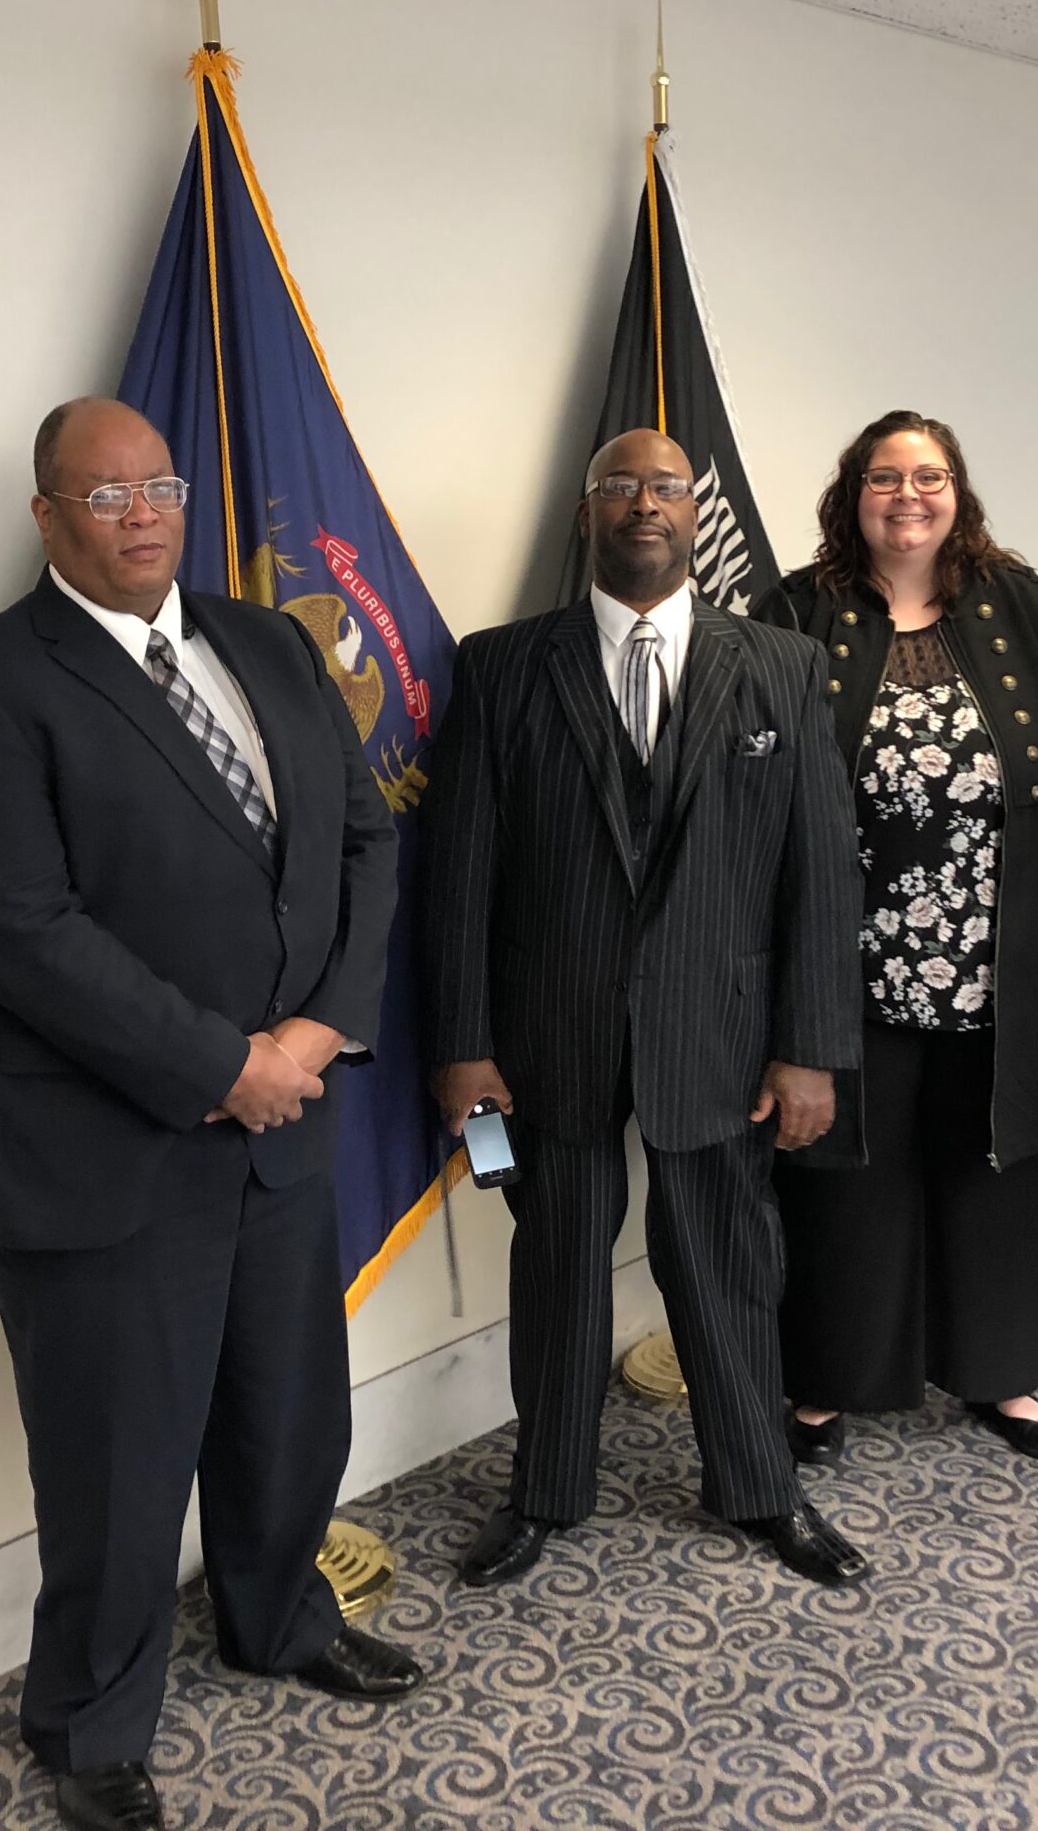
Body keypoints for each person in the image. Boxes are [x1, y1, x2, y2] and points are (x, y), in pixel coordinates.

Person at [0, 398, 420, 1831]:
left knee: (285, 1417)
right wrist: (219, 1063)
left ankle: (282, 1622)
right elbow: (14, 926)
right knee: (117, 1461)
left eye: (160, 486)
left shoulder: (266, 645)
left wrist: (314, 1033)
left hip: (285, 1127)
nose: (141, 513)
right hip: (107, 1149)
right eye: (105, 492)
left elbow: (364, 840)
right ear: (48, 515)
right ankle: (90, 1723)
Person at [422, 427, 869, 1589]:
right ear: (586, 513)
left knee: (724, 1259)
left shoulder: (778, 665)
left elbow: (820, 874)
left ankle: (761, 1488)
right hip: (542, 1039)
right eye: (619, 486)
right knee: (557, 1264)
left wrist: (810, 1050)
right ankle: (547, 1490)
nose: (643, 504)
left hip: (719, 1034)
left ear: (692, 513)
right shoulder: (501, 666)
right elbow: (459, 874)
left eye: (666, 487)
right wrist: (462, 1048)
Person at [753, 410, 1038, 1472]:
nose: (906, 495)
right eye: (884, 477)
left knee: (993, 1175)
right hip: (846, 966)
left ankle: (995, 1370)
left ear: (956, 491)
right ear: (850, 494)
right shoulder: (795, 609)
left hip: (1002, 964)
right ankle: (828, 1381)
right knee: (843, 1187)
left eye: (927, 476)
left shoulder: (1021, 604)